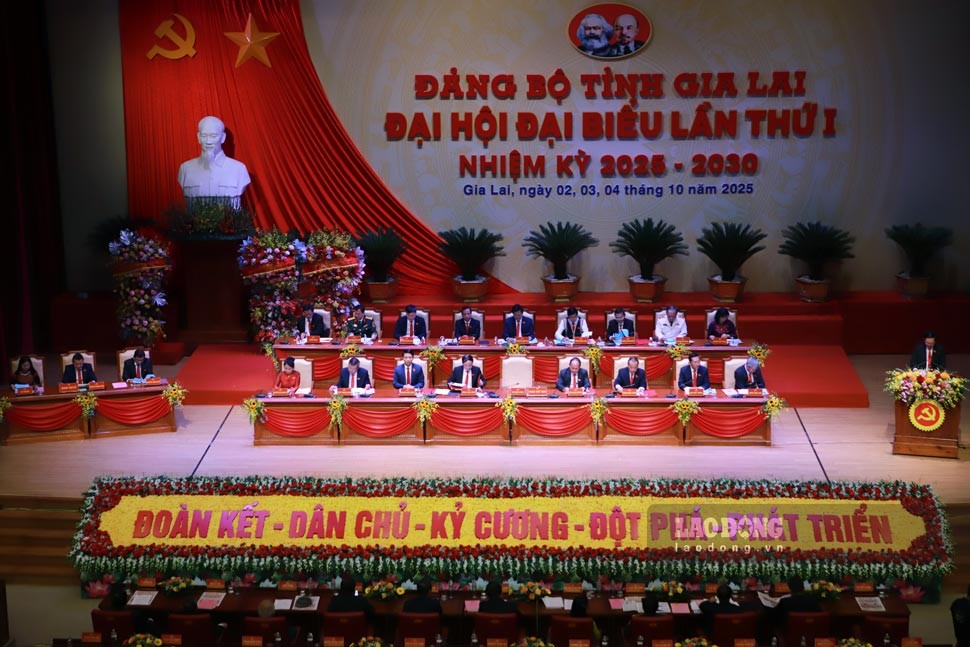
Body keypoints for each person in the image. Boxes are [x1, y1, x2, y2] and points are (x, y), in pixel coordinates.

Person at [177, 116, 251, 208]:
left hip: (229, 217)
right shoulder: (186, 169)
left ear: (223, 137)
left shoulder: (239, 169)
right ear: (198, 137)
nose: (208, 141)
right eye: (204, 136)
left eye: (213, 136)